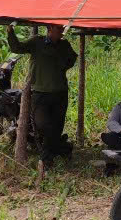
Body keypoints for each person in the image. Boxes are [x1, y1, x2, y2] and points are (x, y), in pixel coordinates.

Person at [7, 23, 77, 172]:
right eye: (59, 29)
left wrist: (62, 65)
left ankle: (47, 159)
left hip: (59, 92)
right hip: (40, 92)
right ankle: (61, 148)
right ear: (50, 29)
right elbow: (17, 48)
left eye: (62, 29)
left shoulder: (64, 45)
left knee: (57, 126)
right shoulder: (36, 42)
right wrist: (10, 32)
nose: (62, 32)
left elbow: (72, 58)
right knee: (43, 125)